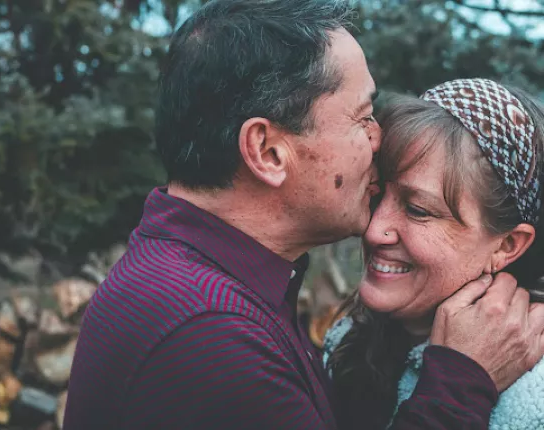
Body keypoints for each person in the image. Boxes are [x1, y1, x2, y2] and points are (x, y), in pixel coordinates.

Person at [62, 0, 544, 428]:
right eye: (362, 116)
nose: (377, 139)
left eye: (418, 209)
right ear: (269, 152)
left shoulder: (212, 291)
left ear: (509, 245)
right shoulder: (210, 337)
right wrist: (461, 383)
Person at [324, 78, 544, 430]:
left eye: (418, 210)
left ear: (507, 245)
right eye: (377, 195)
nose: (374, 230)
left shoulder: (534, 401)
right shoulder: (343, 344)